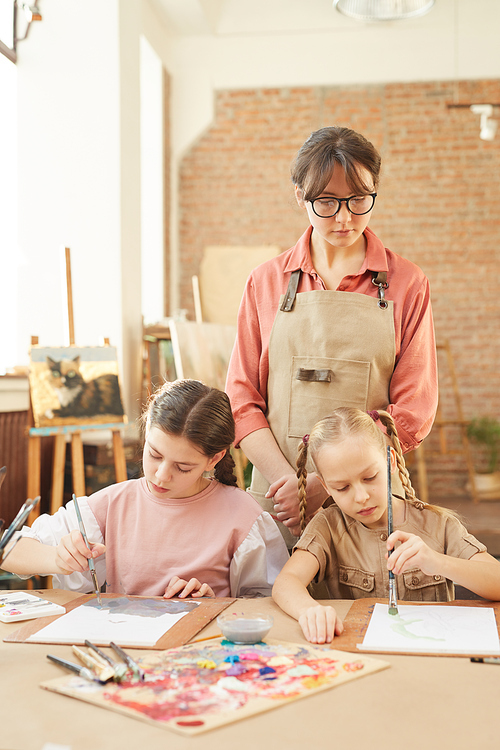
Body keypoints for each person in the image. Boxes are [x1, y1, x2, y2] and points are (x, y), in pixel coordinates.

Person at [226, 126, 438, 548]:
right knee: (277, 605)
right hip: (279, 499)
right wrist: (291, 481)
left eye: (359, 199)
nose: (344, 218)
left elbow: (414, 409)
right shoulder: (265, 282)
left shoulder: (406, 283)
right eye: (326, 202)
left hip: (369, 497)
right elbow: (241, 399)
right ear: (300, 195)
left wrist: (327, 481)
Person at [3, 379, 289, 598]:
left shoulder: (243, 516)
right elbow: (8, 550)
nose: (161, 476)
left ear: (214, 458)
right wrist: (57, 558)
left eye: (183, 467)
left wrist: (213, 604)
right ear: (147, 428)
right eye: (154, 454)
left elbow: (268, 602)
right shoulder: (111, 505)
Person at [272, 407, 500, 644]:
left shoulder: (438, 525)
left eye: (370, 477)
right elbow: (286, 583)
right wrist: (308, 610)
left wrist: (437, 562)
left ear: (389, 461)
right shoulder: (328, 526)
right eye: (342, 488)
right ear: (326, 487)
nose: (361, 497)